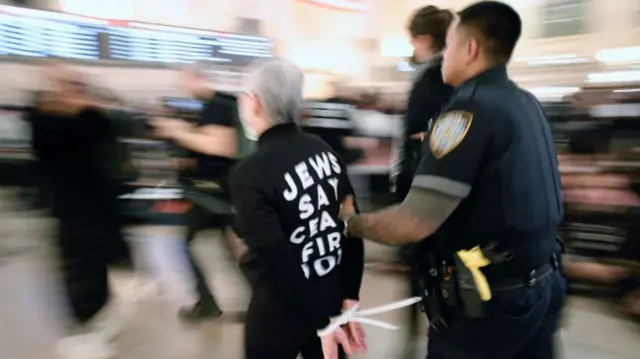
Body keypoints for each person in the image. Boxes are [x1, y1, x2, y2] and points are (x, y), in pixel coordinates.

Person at [341, 2, 566, 358]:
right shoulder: (527, 102)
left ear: (470, 49)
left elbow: (412, 223)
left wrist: (350, 223)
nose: (443, 55)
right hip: (543, 284)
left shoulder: (466, 114)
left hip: (491, 307)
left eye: (449, 44)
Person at [229, 59, 366, 359]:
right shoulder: (324, 151)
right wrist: (348, 297)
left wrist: (323, 324)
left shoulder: (251, 173)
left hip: (280, 313)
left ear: (254, 103)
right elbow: (351, 226)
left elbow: (276, 259)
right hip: (328, 301)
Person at [30, 63, 123, 358]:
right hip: (74, 209)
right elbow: (48, 141)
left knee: (92, 267)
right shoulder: (48, 123)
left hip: (94, 208)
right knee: (81, 268)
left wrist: (82, 106)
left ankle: (93, 325)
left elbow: (104, 134)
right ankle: (87, 326)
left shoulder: (89, 120)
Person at [152, 62, 246, 322]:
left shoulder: (219, 105)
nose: (183, 86)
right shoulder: (218, 106)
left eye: (185, 80)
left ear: (199, 79)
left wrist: (177, 132)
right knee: (226, 247)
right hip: (219, 191)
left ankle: (209, 303)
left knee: (188, 244)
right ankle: (217, 303)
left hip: (215, 193)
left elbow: (221, 147)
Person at [391, 6, 455, 355]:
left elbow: (417, 139)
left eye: (413, 41)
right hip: (445, 195)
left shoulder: (430, 79)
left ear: (425, 40)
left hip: (424, 196)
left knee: (423, 272)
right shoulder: (455, 77)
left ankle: (423, 342)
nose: (412, 49)